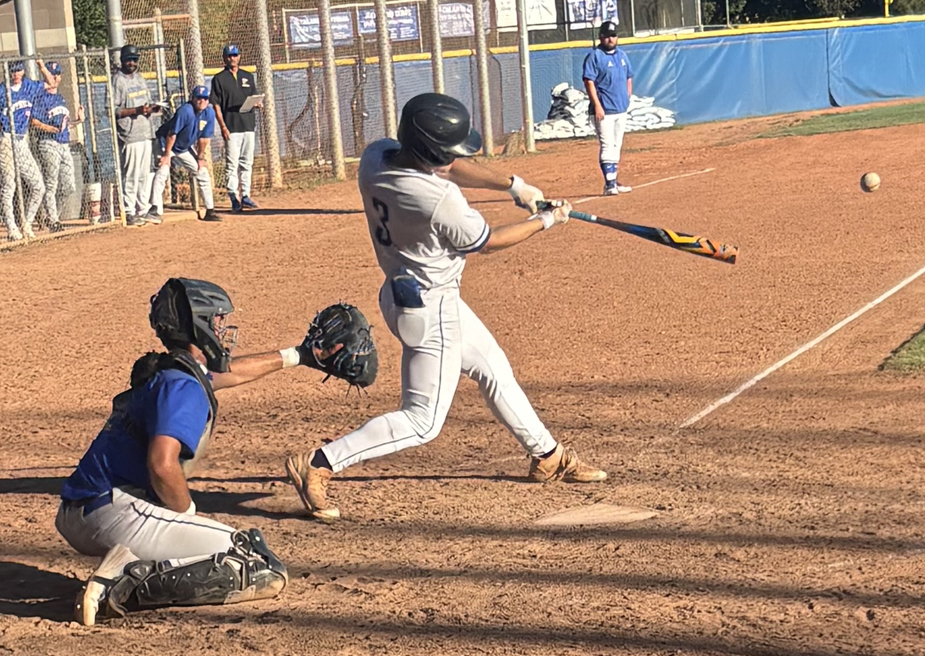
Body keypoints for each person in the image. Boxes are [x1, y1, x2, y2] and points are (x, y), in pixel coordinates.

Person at [285, 93, 608, 523]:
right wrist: (546, 220)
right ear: (430, 153)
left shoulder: (375, 157)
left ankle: (547, 456)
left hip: (406, 293)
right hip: (429, 310)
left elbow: (450, 166)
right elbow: (488, 242)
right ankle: (320, 463)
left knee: (492, 367)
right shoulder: (439, 201)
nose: (453, 158)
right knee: (422, 421)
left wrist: (514, 186)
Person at [56, 277, 319, 625]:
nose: (224, 329)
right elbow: (162, 465)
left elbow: (231, 374)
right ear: (199, 325)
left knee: (216, 548)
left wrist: (296, 355)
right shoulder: (183, 387)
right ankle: (117, 588)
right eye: (218, 320)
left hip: (89, 510)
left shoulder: (172, 372)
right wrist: (186, 513)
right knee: (252, 560)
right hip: (113, 511)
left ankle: (127, 561)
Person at [149, 85, 222, 223]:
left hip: (183, 147)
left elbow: (204, 139)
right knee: (163, 171)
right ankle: (154, 209)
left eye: (205, 98)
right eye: (198, 98)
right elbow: (172, 134)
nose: (202, 101)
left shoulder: (209, 113)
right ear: (193, 99)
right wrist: (166, 155)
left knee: (202, 172)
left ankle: (210, 210)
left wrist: (200, 158)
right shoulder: (185, 111)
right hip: (166, 143)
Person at [30, 61, 84, 233]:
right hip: (48, 143)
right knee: (51, 184)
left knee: (69, 186)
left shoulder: (60, 98)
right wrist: (50, 129)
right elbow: (34, 122)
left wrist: (78, 121)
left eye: (57, 74)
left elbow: (64, 126)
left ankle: (51, 216)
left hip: (63, 144)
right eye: (52, 74)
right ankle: (53, 220)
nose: (55, 77)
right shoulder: (41, 97)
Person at [0, 60, 50, 240]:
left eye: (19, 70)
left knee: (38, 186)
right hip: (5, 139)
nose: (16, 74)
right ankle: (12, 228)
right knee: (9, 184)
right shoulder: (2, 91)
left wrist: (41, 66)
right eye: (13, 71)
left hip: (22, 140)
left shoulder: (29, 86)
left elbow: (51, 83)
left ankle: (26, 224)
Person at [582, 21, 634, 196]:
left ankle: (613, 181)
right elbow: (588, 81)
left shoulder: (622, 55)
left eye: (613, 35)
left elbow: (629, 76)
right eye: (607, 36)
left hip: (620, 109)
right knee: (607, 145)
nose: (610, 39)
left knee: (616, 145)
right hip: (604, 110)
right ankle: (609, 184)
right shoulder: (595, 56)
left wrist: (628, 96)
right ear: (601, 37)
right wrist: (597, 105)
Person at [112, 44, 160, 227]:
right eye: (128, 60)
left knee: (143, 174)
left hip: (145, 131)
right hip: (129, 134)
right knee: (131, 174)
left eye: (134, 59)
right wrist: (137, 110)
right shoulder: (118, 80)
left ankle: (142, 209)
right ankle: (129, 210)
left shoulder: (140, 78)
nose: (132, 63)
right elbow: (114, 111)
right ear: (122, 61)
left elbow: (145, 102)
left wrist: (151, 109)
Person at [210, 44, 260, 213]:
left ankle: (245, 194)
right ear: (224, 58)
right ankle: (233, 196)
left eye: (235, 55)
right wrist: (223, 126)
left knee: (247, 162)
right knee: (232, 163)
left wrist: (258, 103)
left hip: (248, 124)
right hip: (231, 126)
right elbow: (216, 105)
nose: (233, 58)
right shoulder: (219, 79)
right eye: (229, 56)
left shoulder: (247, 76)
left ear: (240, 56)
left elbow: (253, 96)